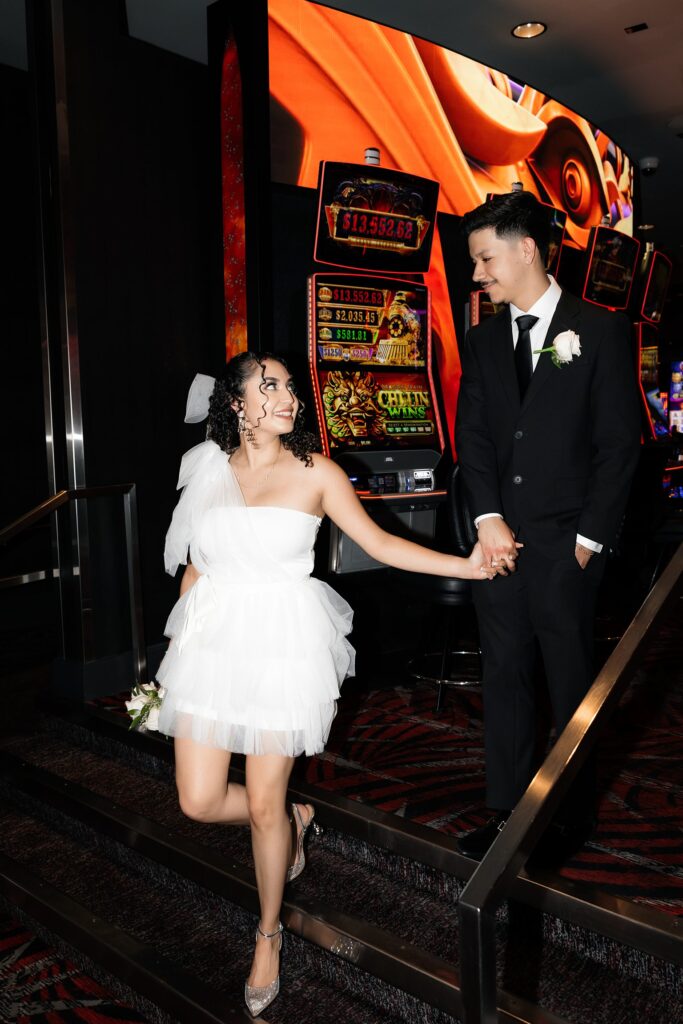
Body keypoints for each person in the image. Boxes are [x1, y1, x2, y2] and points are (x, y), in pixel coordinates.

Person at [155, 351, 497, 1017]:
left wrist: (471, 567)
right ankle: (297, 818)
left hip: (283, 643)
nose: (288, 397)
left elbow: (384, 543)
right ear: (234, 403)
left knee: (259, 803)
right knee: (196, 801)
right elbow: (194, 567)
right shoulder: (206, 469)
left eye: (288, 387)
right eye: (270, 387)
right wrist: (171, 655)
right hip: (211, 644)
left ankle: (268, 933)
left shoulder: (317, 472)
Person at [454, 191, 641, 863]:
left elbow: (620, 445)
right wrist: (486, 518)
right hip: (496, 546)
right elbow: (471, 438)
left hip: (566, 546)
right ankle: (506, 813)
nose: (477, 275)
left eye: (484, 258)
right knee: (503, 675)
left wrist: (587, 543)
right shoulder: (480, 340)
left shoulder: (599, 328)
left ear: (525, 247)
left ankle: (566, 819)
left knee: (568, 682)